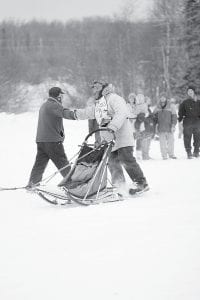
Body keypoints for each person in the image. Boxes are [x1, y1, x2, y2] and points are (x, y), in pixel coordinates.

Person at [69, 80, 149, 194]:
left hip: (122, 137)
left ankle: (141, 183)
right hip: (109, 139)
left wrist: (112, 127)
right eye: (93, 88)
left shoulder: (114, 98)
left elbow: (121, 113)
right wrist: (73, 114)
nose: (94, 90)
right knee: (112, 163)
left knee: (126, 159)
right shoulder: (100, 103)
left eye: (97, 88)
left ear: (103, 88)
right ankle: (119, 186)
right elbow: (88, 112)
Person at [27, 87, 75, 188]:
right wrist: (77, 115)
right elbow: (66, 113)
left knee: (40, 164)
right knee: (62, 163)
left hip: (41, 140)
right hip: (52, 141)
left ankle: (32, 183)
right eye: (61, 95)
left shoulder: (44, 105)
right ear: (58, 96)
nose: (62, 97)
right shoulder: (54, 105)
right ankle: (72, 185)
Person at [153, 92, 177, 160]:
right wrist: (155, 124)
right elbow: (153, 116)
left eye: (164, 97)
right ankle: (164, 155)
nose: (162, 98)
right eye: (161, 97)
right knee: (162, 143)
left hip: (169, 127)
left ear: (166, 98)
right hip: (161, 127)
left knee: (171, 142)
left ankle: (171, 154)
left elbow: (174, 116)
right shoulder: (157, 106)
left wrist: (173, 125)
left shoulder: (171, 106)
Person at [178, 86, 200, 159]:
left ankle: (196, 152)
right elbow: (180, 112)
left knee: (197, 137)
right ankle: (189, 152)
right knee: (187, 138)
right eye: (188, 91)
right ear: (187, 93)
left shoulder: (198, 101)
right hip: (187, 122)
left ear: (193, 92)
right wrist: (180, 119)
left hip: (197, 122)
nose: (190, 92)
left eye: (191, 90)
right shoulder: (185, 102)